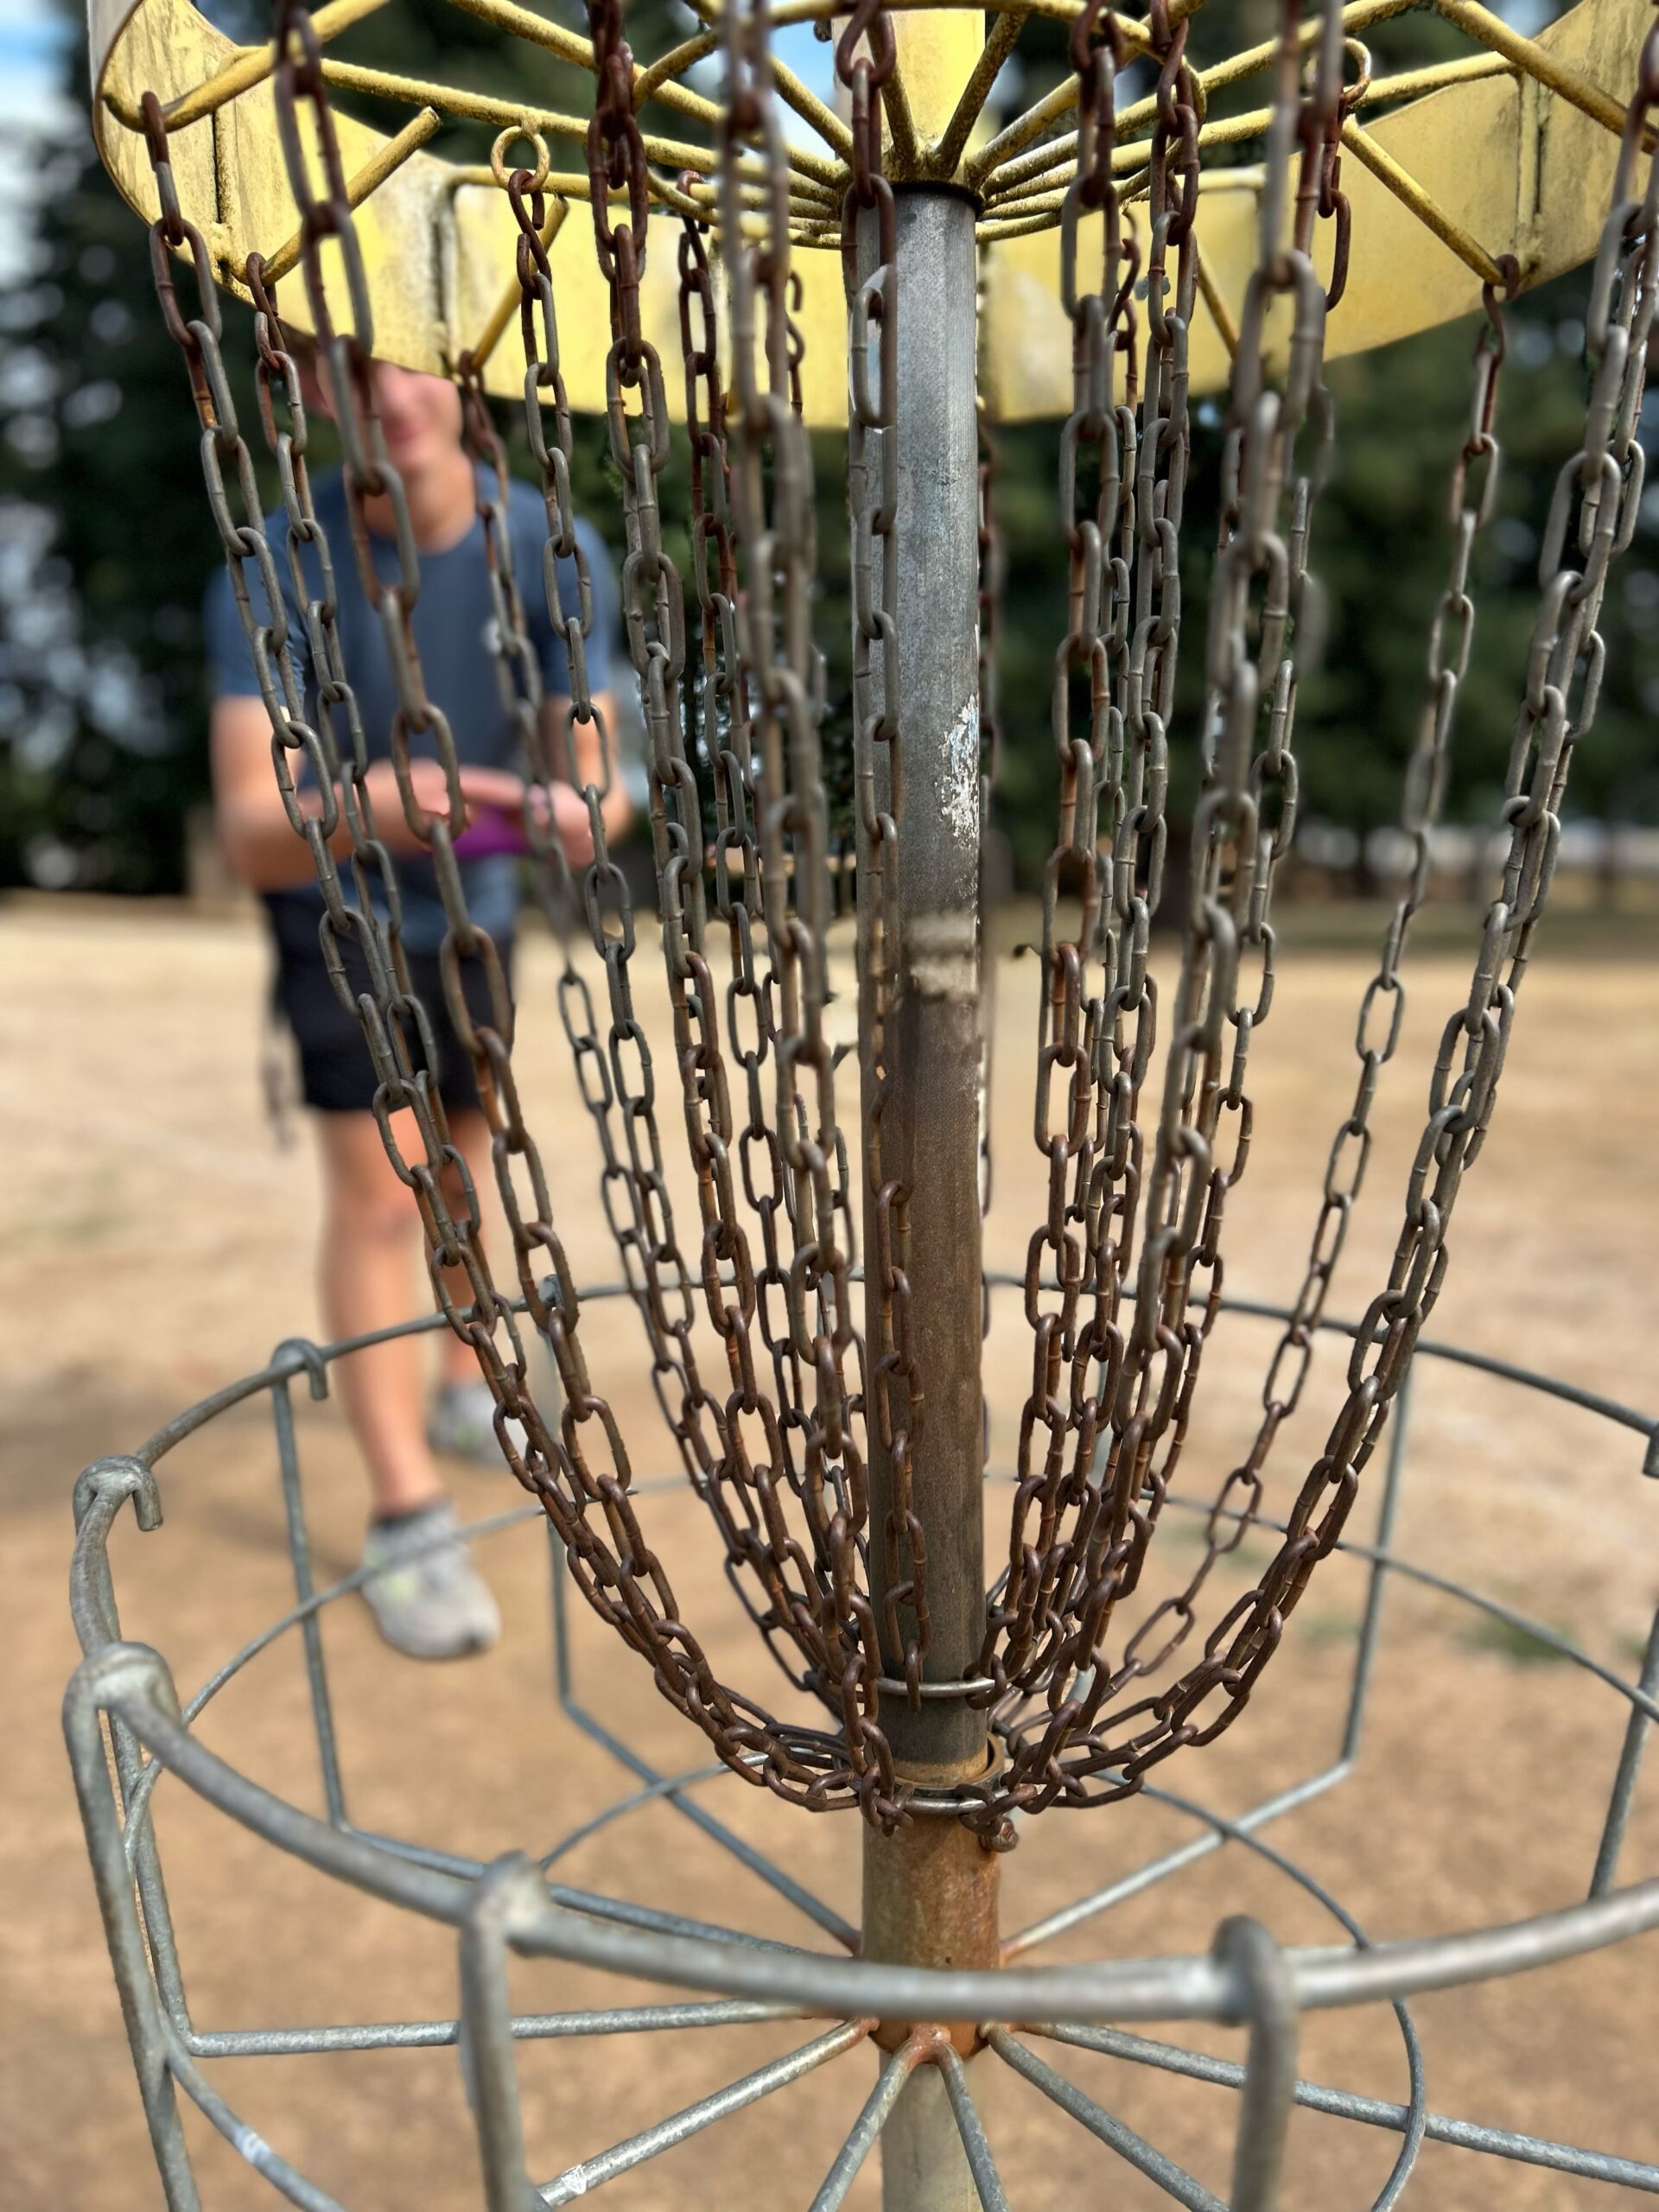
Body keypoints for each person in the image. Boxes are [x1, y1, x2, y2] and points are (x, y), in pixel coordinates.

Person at [206, 357, 626, 1660]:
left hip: (476, 912)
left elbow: (595, 772)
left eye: (414, 360)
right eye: (353, 365)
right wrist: (370, 807)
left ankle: (462, 1379)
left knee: (466, 1164)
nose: (389, 390)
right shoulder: (280, 556)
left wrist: (575, 805)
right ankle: (406, 1514)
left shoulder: (548, 543)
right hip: (339, 916)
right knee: (384, 1198)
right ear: (316, 386)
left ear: (463, 374)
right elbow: (249, 830)